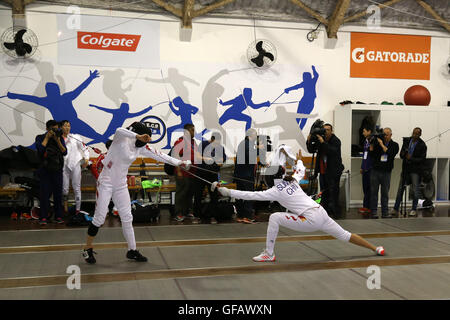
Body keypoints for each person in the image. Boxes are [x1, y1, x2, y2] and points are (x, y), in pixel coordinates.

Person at [211, 159, 385, 262]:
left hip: (311, 219)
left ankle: (269, 254)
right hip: (320, 212)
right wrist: (296, 159)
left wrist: (226, 191)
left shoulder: (275, 190)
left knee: (275, 217)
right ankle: (375, 248)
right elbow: (300, 167)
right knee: (346, 235)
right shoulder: (292, 180)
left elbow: (250, 195)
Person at [82, 122, 190, 264]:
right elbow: (119, 130)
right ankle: (87, 248)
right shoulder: (121, 140)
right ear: (138, 135)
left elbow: (161, 156)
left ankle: (132, 250)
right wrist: (138, 135)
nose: (145, 141)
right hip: (106, 182)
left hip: (121, 184)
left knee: (127, 217)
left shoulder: (141, 147)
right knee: (99, 218)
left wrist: (179, 163)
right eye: (144, 138)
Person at [307, 123, 344, 219]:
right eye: (324, 129)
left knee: (334, 192)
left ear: (331, 131)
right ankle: (325, 213)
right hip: (323, 171)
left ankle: (336, 213)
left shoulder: (336, 141)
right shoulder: (320, 140)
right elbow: (311, 150)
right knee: (324, 193)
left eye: (328, 129)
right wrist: (309, 140)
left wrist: (323, 142)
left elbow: (332, 151)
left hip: (333, 171)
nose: (326, 131)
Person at [35, 120, 67, 225]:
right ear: (47, 129)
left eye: (57, 128)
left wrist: (57, 140)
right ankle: (43, 217)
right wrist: (47, 137)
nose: (55, 130)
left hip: (57, 170)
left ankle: (58, 216)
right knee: (44, 194)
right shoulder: (40, 137)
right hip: (45, 170)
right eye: (53, 129)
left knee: (58, 194)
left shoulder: (59, 138)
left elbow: (64, 152)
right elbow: (40, 150)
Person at [172, 123, 206, 222]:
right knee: (181, 193)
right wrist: (178, 171)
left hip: (193, 172)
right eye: (192, 130)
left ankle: (187, 211)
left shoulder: (193, 142)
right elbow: (175, 157)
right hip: (183, 172)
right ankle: (178, 213)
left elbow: (197, 155)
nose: (194, 132)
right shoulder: (180, 141)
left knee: (190, 193)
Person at [233, 128, 267, 224]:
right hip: (245, 176)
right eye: (255, 135)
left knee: (240, 195)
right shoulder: (247, 144)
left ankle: (240, 215)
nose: (256, 137)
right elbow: (249, 155)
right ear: (250, 135)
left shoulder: (245, 144)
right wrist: (258, 148)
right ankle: (247, 216)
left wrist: (261, 162)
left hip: (241, 174)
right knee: (249, 195)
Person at [392, 127, 427, 217]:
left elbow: (422, 159)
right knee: (400, 189)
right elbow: (401, 155)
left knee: (415, 189)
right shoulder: (407, 141)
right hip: (405, 169)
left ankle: (413, 209)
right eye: (413, 133)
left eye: (416, 134)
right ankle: (395, 208)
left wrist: (411, 158)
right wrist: (404, 154)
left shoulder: (422, 145)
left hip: (415, 170)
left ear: (419, 135)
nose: (414, 135)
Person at [193, 132, 227, 223]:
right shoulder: (203, 144)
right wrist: (205, 159)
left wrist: (215, 160)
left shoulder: (220, 148)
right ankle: (197, 216)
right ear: (211, 140)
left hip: (212, 175)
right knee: (198, 195)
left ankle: (213, 216)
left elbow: (221, 161)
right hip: (201, 173)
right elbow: (197, 156)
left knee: (214, 195)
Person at [369, 128, 399, 219]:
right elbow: (372, 155)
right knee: (374, 192)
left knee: (385, 193)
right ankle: (374, 212)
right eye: (384, 134)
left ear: (391, 135)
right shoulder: (377, 144)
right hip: (375, 171)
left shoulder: (394, 145)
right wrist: (372, 144)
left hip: (386, 172)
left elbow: (390, 154)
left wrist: (382, 144)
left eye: (386, 134)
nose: (385, 136)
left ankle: (385, 212)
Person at [60, 120, 90, 214]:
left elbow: (85, 148)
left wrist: (86, 158)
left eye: (69, 126)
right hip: (64, 166)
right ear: (61, 127)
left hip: (76, 164)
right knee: (65, 189)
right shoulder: (58, 139)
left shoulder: (75, 137)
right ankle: (65, 208)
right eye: (65, 126)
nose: (67, 128)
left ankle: (78, 209)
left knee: (76, 187)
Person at [359, 126, 373, 215]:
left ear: (369, 131)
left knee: (370, 189)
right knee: (365, 188)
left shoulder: (373, 141)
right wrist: (362, 166)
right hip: (365, 168)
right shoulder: (366, 141)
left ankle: (370, 207)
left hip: (371, 169)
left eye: (364, 131)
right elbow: (365, 155)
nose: (363, 133)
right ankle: (365, 206)